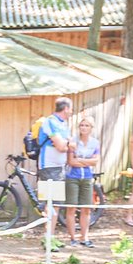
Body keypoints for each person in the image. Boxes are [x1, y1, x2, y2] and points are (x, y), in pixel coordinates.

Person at [37, 97, 74, 235]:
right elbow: (61, 146)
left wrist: (67, 144)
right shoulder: (50, 122)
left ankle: (50, 236)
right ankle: (48, 237)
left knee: (56, 203)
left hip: (60, 167)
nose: (72, 112)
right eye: (71, 109)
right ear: (66, 108)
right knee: (51, 202)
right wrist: (67, 144)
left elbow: (70, 145)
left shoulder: (63, 124)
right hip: (48, 166)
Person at [64, 116, 100, 247]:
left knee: (86, 208)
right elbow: (71, 161)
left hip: (87, 177)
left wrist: (80, 160)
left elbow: (95, 161)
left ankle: (84, 237)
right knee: (71, 208)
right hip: (73, 177)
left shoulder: (95, 143)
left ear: (91, 128)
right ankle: (72, 238)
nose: (84, 128)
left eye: (87, 125)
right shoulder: (73, 141)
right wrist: (86, 161)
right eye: (82, 125)